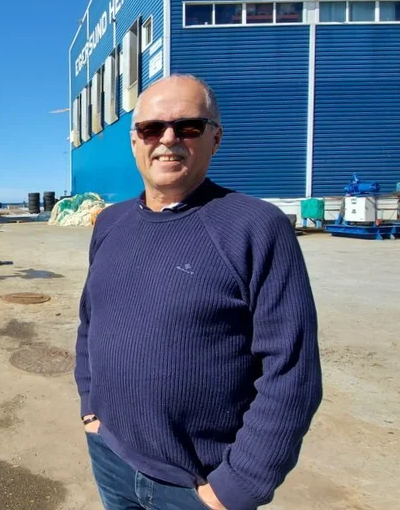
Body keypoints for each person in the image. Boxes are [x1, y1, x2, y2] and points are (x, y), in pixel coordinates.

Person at [74, 74, 323, 510]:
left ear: (215, 138)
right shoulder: (109, 224)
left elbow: (292, 369)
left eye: (187, 127)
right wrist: (91, 408)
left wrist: (237, 487)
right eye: (152, 129)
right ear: (135, 141)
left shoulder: (257, 227)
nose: (167, 140)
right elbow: (91, 321)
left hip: (199, 484)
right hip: (111, 457)